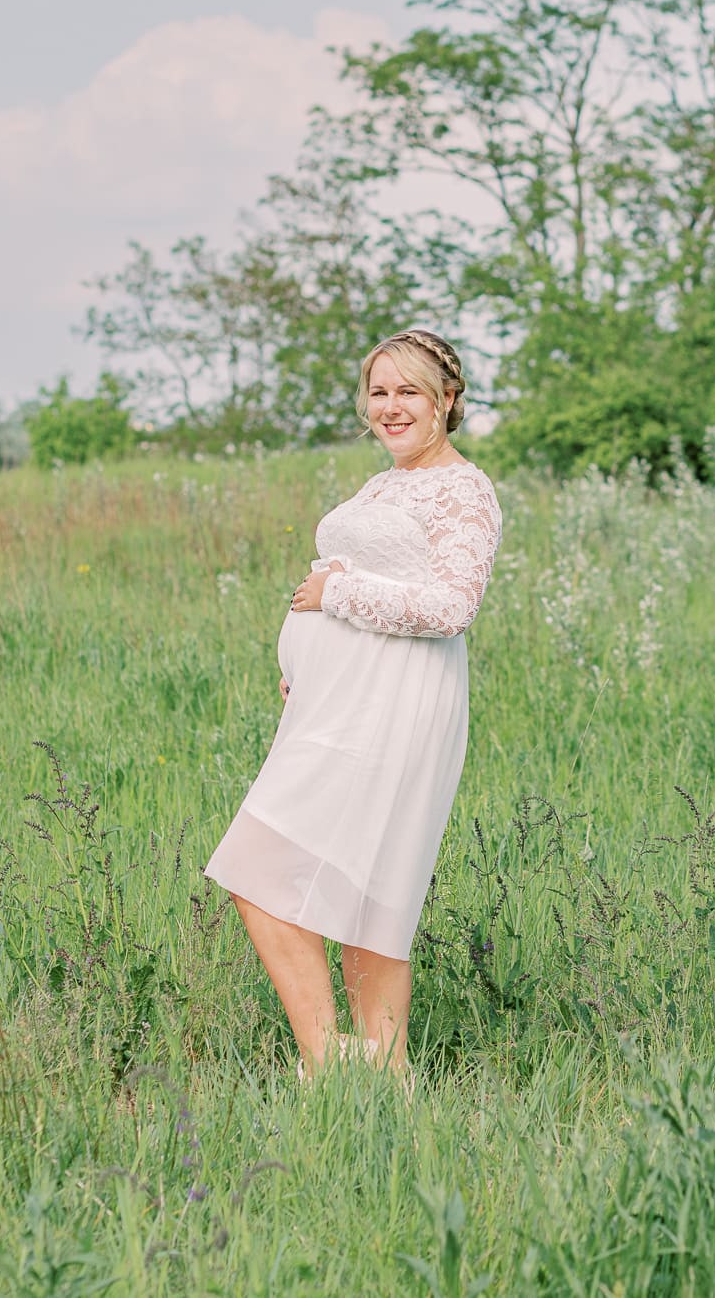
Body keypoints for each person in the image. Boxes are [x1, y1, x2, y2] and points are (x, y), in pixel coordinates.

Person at [204, 328, 502, 1078]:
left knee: (310, 876)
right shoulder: (382, 485)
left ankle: (330, 1063)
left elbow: (451, 605)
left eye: (409, 391)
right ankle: (382, 1077)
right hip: (334, 706)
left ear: (448, 400)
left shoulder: (464, 489)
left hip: (397, 703)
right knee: (350, 888)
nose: (391, 406)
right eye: (379, 391)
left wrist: (334, 592)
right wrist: (305, 658)